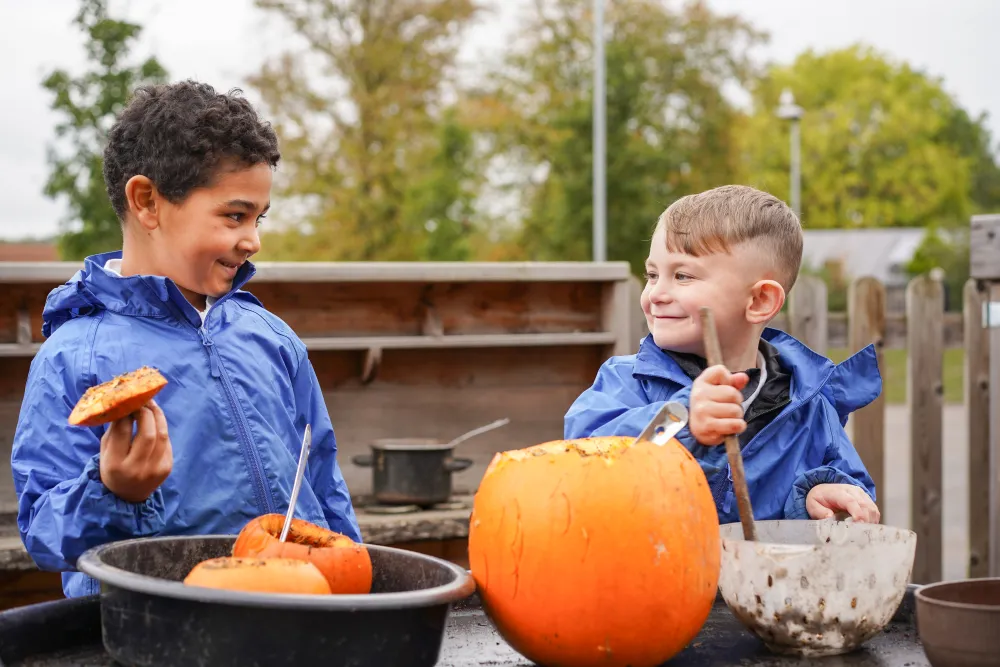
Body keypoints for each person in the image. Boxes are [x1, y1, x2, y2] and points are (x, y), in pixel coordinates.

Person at [11, 80, 362, 598]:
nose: (254, 240)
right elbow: (42, 530)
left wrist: (358, 589)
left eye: (259, 218)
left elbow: (324, 483)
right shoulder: (74, 357)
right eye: (235, 215)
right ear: (148, 201)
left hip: (294, 618)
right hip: (153, 629)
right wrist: (113, 492)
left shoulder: (272, 337)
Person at [564, 185, 881, 525]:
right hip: (655, 574)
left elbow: (850, 489)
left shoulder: (809, 405)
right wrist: (680, 419)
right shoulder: (626, 382)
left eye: (682, 276)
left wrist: (817, 497)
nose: (656, 293)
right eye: (653, 274)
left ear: (759, 301)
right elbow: (587, 458)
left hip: (766, 577)